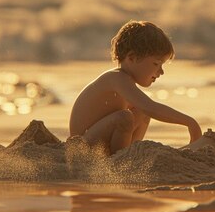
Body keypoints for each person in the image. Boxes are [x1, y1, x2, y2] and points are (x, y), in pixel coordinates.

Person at [69, 20, 202, 155]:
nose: (161, 72)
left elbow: (146, 109)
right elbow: (151, 107)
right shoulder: (116, 78)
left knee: (140, 111)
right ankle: (121, 159)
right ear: (132, 58)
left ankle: (129, 152)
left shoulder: (126, 82)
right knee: (126, 117)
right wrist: (190, 123)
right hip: (82, 147)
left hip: (100, 142)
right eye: (156, 64)